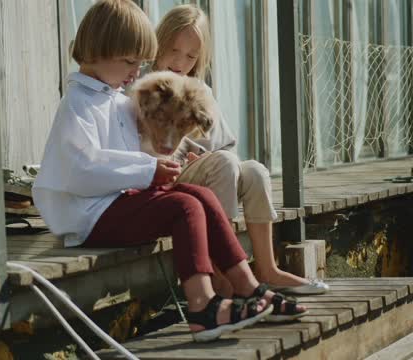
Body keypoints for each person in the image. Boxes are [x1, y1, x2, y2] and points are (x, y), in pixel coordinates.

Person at [32, 0, 306, 342]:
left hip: (117, 202)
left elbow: (134, 151)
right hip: (88, 215)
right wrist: (148, 169)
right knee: (183, 207)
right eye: (130, 62)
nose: (136, 72)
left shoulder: (114, 98)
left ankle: (249, 288)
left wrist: (163, 161)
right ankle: (203, 306)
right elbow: (80, 169)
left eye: (140, 63)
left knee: (200, 195)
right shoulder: (78, 102)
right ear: (99, 51)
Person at [151, 4, 328, 295]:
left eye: (191, 55)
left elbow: (225, 145)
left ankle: (268, 269)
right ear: (159, 42)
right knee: (223, 163)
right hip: (168, 178)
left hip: (207, 172)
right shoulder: (146, 88)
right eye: (173, 50)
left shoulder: (200, 91)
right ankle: (223, 269)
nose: (180, 61)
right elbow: (142, 150)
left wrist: (206, 158)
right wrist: (193, 159)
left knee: (255, 170)